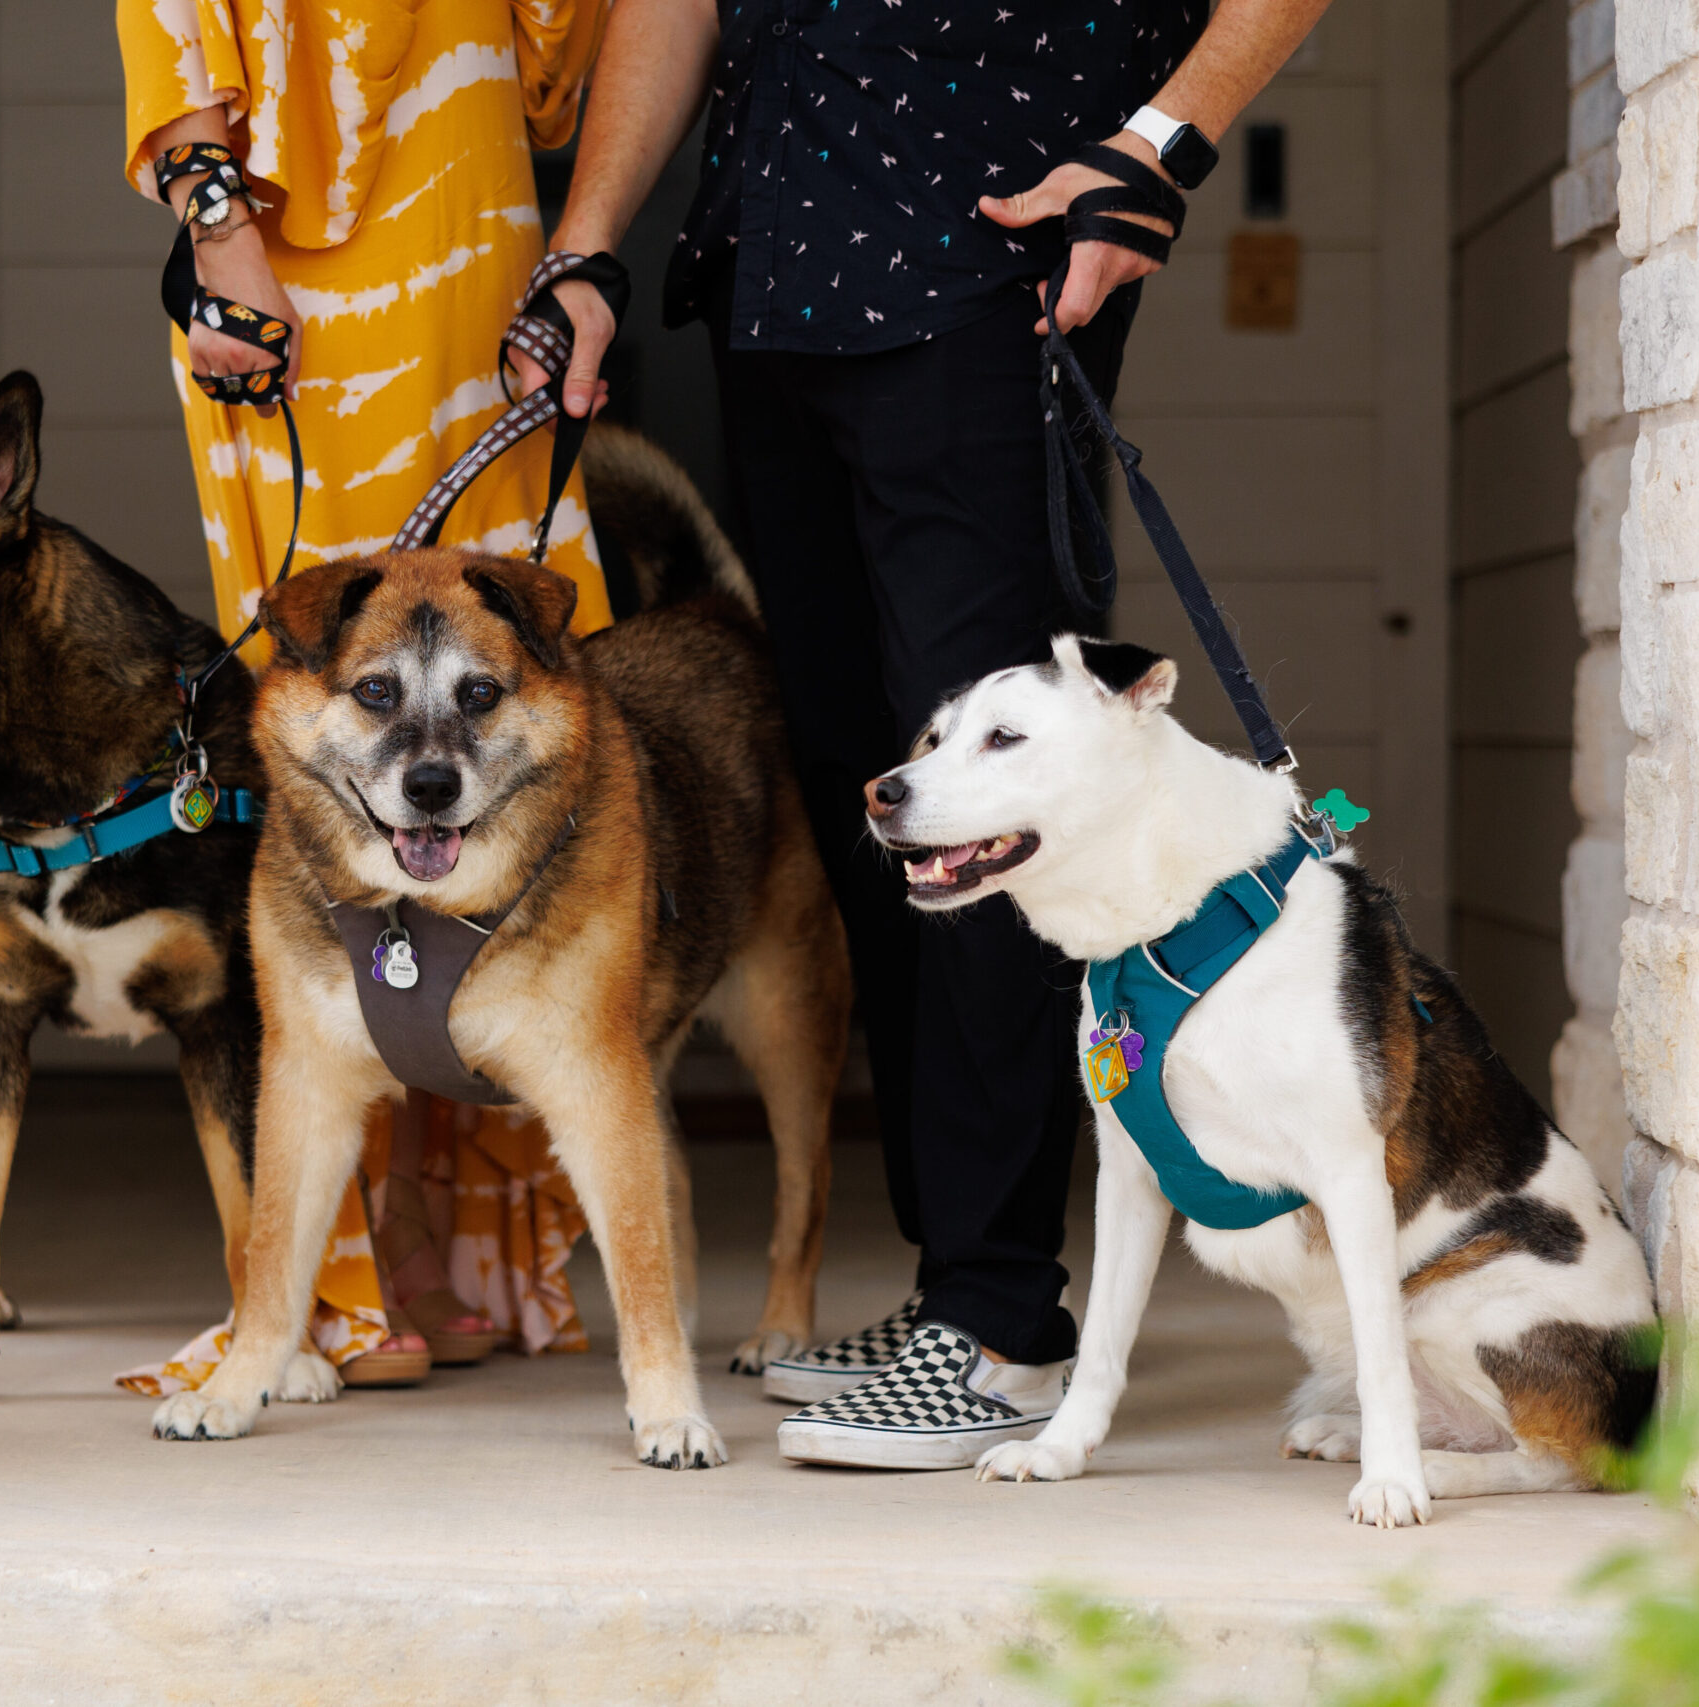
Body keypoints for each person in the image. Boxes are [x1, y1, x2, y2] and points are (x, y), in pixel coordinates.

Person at [533, 0, 1332, 1467]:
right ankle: (949, 1278)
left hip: (990, 263)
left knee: (993, 814)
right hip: (774, 275)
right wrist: (589, 245)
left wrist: (1159, 140)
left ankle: (1003, 1323)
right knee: (880, 798)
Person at [113, 0, 614, 1395]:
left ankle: (441, 1243)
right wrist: (220, 233)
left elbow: (558, 65)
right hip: (299, 283)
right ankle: (337, 1276)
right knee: (343, 735)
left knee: (504, 706)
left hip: (482, 230)